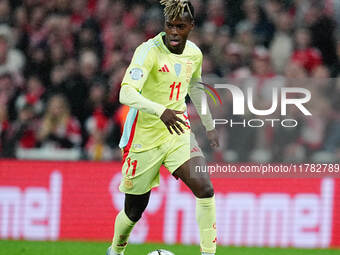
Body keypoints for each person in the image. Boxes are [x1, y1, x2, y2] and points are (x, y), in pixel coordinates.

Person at [107, 1, 219, 255]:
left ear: (192, 26)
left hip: (177, 131)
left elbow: (195, 87)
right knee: (134, 210)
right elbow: (125, 93)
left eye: (181, 26)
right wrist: (160, 111)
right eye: (170, 25)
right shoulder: (148, 51)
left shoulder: (194, 54)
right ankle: (115, 249)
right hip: (143, 137)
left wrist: (209, 125)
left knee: (205, 188)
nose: (175, 32)